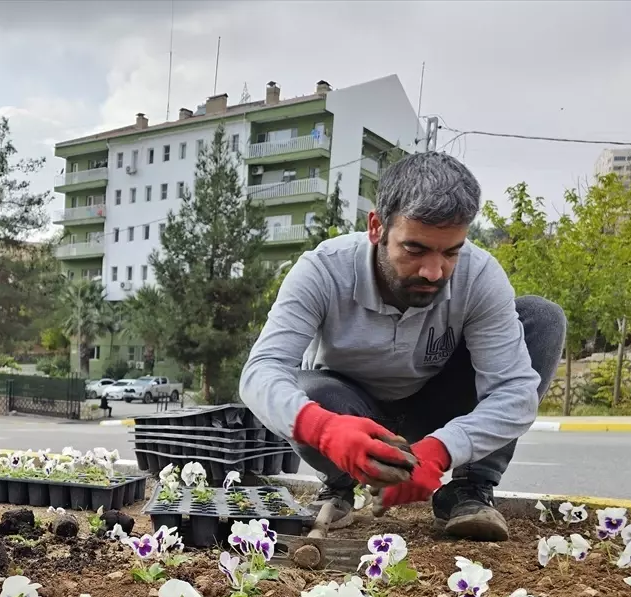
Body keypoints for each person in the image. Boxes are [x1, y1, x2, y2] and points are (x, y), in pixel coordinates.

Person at [240, 153, 566, 541]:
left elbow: (515, 391)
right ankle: (338, 483)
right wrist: (325, 430)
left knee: (542, 319)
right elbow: (261, 373)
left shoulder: (479, 276)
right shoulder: (323, 270)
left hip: (435, 411)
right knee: (310, 391)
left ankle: (469, 488)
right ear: (377, 227)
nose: (434, 271)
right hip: (349, 411)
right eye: (414, 250)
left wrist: (443, 449)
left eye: (450, 252)